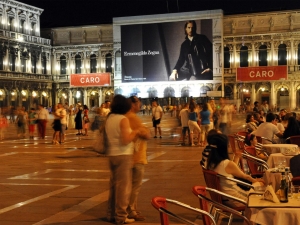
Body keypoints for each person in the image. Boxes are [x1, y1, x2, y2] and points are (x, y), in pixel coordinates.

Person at [106, 95, 141, 225]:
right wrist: (136, 132)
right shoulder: (123, 119)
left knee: (114, 186)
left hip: (112, 155)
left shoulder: (110, 118)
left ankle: (110, 214)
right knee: (123, 188)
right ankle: (121, 217)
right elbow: (126, 139)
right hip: (123, 155)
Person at [206, 133, 264, 207]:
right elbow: (245, 177)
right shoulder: (226, 163)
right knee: (262, 185)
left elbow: (231, 170)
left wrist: (236, 157)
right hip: (236, 198)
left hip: (223, 197)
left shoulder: (211, 163)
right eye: (228, 145)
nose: (229, 146)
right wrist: (257, 181)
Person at [126, 96, 151, 221]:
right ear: (133, 104)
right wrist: (144, 131)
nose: (140, 105)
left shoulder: (126, 117)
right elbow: (147, 134)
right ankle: (130, 210)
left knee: (132, 185)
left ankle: (132, 209)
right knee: (135, 186)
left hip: (131, 156)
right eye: (138, 103)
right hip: (137, 156)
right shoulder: (132, 117)